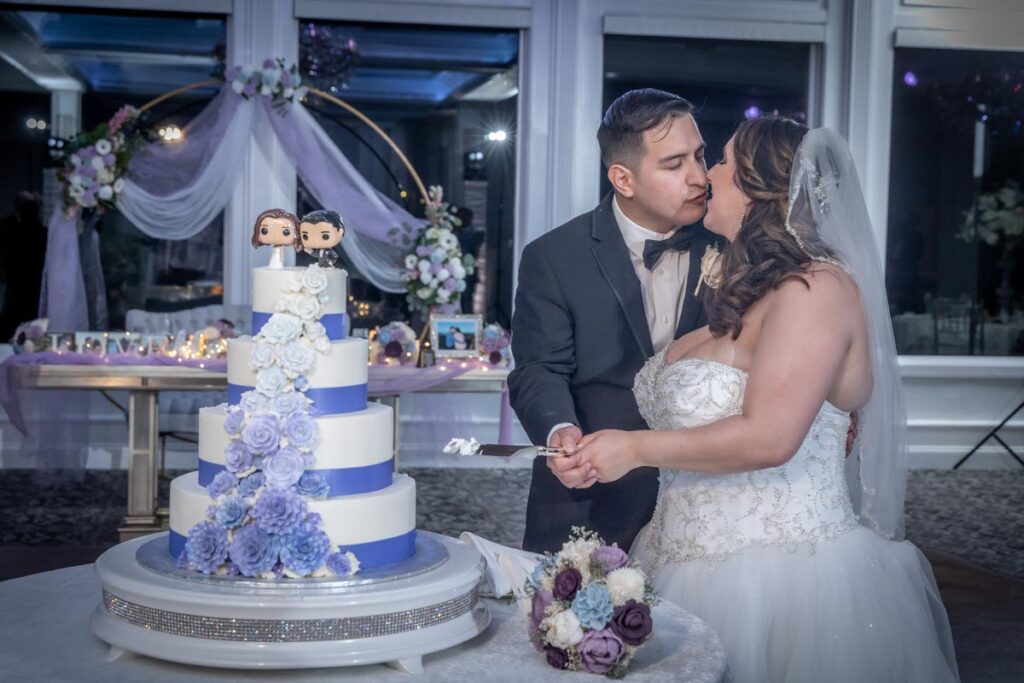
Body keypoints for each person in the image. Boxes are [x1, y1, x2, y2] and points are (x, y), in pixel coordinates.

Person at [557, 119, 959, 682]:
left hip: (779, 574)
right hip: (674, 556)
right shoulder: (752, 288)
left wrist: (634, 449)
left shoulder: (817, 289)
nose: (706, 175)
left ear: (760, 186)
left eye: (719, 161)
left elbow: (772, 436)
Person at [508, 89, 721, 552]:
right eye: (673, 164)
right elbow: (538, 368)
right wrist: (557, 428)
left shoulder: (731, 247)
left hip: (709, 498)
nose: (699, 177)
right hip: (592, 498)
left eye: (700, 156)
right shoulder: (553, 256)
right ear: (623, 179)